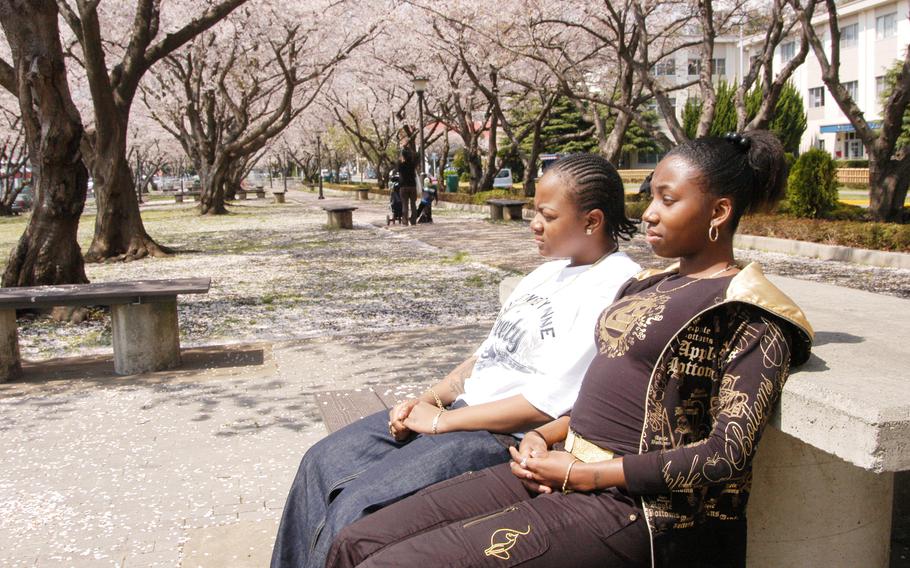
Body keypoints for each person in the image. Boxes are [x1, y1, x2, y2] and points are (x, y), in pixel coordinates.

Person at [326, 131, 814, 568]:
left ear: (719, 212)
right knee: (357, 542)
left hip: (634, 509)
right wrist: (545, 435)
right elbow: (597, 395)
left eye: (668, 200)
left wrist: (589, 475)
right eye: (650, 197)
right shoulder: (644, 286)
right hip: (557, 465)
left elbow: (726, 454)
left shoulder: (745, 313)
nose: (648, 213)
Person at [270, 154, 642, 568]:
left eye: (547, 215)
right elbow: (484, 357)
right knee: (320, 462)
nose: (534, 223)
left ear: (591, 222)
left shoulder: (615, 287)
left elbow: (543, 405)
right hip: (455, 414)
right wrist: (425, 400)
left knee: (354, 507)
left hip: (497, 436)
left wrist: (440, 422)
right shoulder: (547, 273)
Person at [397, 140, 419, 226]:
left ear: (403, 156)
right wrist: (409, 149)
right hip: (412, 186)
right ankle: (413, 221)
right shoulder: (412, 164)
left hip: (403, 186)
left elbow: (398, 160)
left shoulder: (401, 165)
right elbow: (417, 156)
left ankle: (405, 221)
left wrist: (403, 150)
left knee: (405, 204)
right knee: (413, 204)